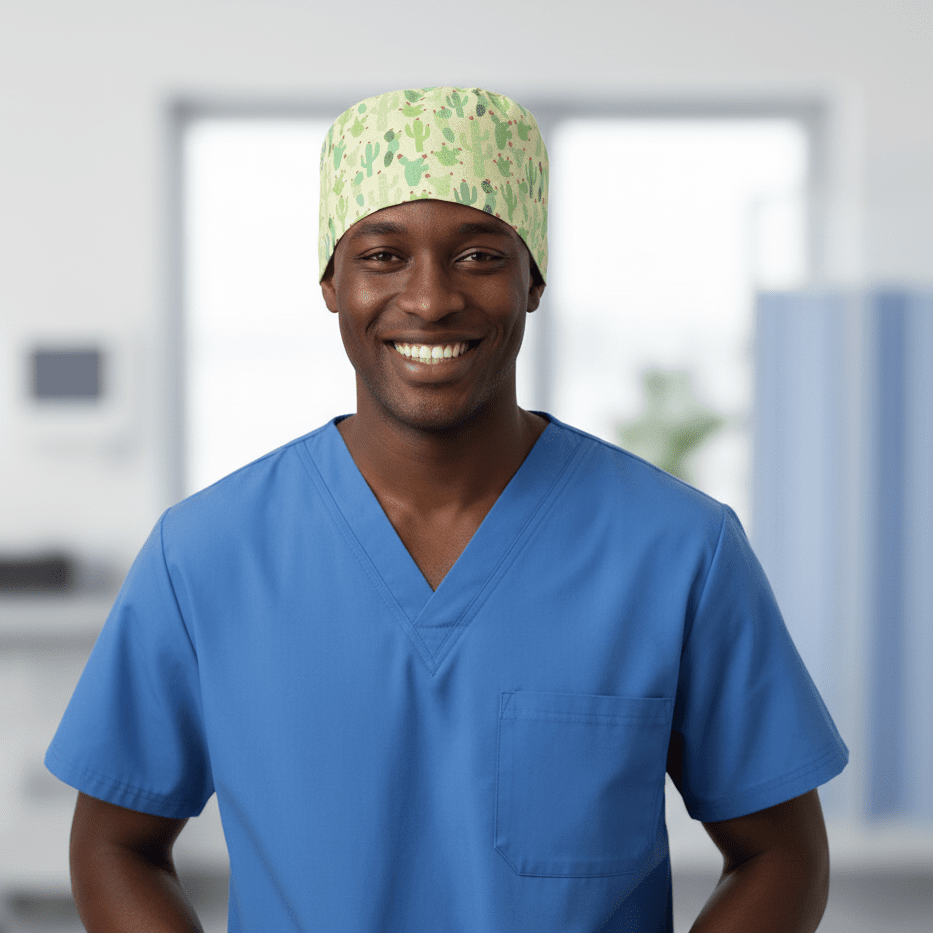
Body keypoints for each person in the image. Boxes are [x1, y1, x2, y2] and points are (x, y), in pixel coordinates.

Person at [46, 87, 848, 933]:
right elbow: (114, 844)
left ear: (533, 278)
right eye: (383, 255)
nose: (429, 300)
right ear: (330, 280)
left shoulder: (680, 550)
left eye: (478, 256)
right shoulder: (204, 553)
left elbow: (779, 852)